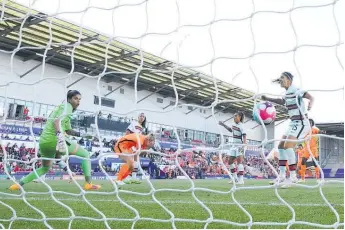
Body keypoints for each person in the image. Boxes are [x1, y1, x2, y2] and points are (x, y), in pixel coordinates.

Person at [9, 90, 101, 191]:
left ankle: (18, 185)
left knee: (45, 168)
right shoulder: (68, 106)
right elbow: (56, 121)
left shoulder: (61, 109)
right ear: (69, 99)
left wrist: (87, 136)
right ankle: (88, 184)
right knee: (85, 154)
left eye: (79, 99)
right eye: (75, 99)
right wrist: (59, 136)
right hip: (54, 139)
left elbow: (69, 131)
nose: (78, 102)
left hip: (44, 142)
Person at [262, 72, 314, 187]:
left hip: (301, 123)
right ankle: (281, 176)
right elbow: (282, 101)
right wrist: (267, 98)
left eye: (283, 78)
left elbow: (310, 96)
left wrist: (310, 102)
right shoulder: (287, 93)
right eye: (280, 78)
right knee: (281, 146)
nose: (280, 80)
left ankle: (293, 178)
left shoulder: (296, 90)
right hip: (293, 123)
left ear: (289, 80)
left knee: (287, 146)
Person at [219, 111, 247, 184]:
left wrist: (244, 145)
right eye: (234, 116)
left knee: (239, 162)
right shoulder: (233, 124)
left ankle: (241, 180)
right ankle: (234, 178)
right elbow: (230, 130)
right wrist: (223, 125)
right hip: (233, 145)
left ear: (239, 117)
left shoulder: (242, 126)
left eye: (235, 116)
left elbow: (244, 136)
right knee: (230, 161)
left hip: (240, 145)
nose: (234, 117)